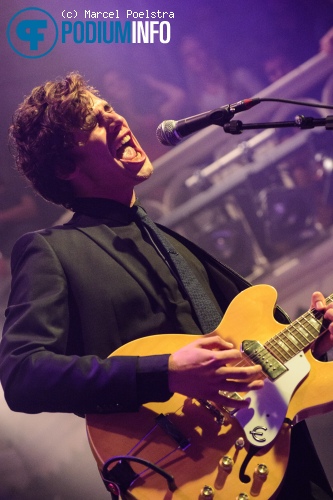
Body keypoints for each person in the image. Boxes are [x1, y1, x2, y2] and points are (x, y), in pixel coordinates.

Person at [0, 72, 332, 500]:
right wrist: (166, 372)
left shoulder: (174, 242)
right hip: (186, 471)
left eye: (109, 110)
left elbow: (252, 355)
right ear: (65, 166)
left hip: (277, 462)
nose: (117, 119)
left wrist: (313, 342)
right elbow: (23, 374)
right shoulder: (52, 251)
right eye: (96, 122)